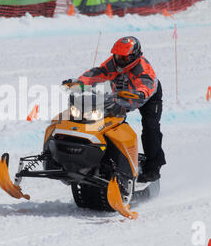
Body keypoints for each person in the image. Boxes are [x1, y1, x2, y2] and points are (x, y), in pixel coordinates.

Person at [62, 36, 166, 182]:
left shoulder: (142, 68)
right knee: (104, 119)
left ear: (134, 56)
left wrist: (140, 93)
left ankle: (153, 168)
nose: (119, 61)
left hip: (146, 97)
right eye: (117, 56)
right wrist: (80, 82)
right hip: (121, 94)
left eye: (123, 58)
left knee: (151, 127)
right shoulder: (114, 62)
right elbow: (98, 72)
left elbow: (146, 85)